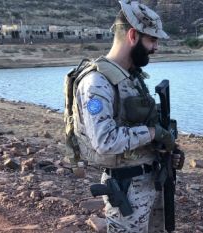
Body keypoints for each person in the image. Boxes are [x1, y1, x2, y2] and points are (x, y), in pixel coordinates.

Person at [69, 1, 183, 232]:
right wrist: (152, 133)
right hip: (127, 188)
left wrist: (167, 147)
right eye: (152, 40)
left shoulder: (131, 78)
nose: (156, 47)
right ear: (132, 35)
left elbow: (139, 126)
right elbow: (104, 141)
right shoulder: (96, 83)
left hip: (152, 181)